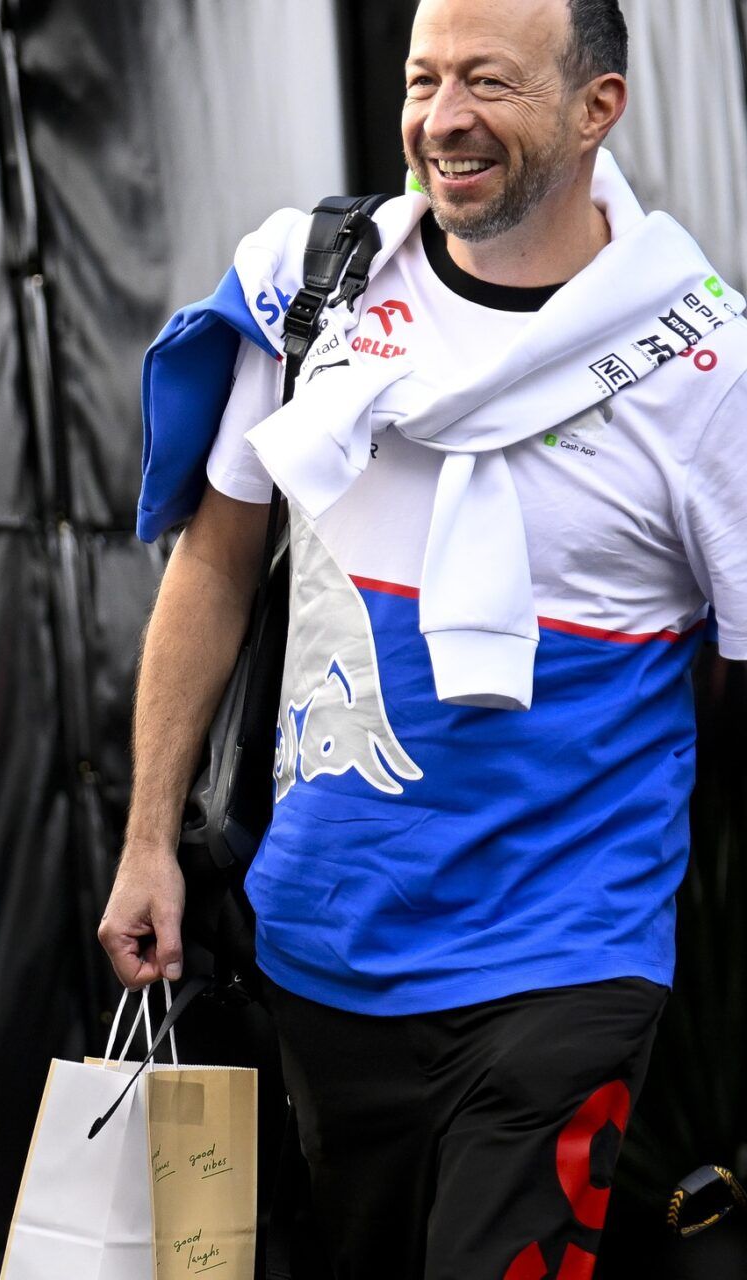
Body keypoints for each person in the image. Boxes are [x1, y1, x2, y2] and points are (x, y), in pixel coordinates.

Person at [101, 0, 747, 1274]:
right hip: (319, 949)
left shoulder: (708, 366)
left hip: (568, 958)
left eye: (489, 83)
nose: (442, 121)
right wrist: (147, 841)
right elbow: (216, 565)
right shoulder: (314, 283)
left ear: (597, 106)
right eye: (423, 78)